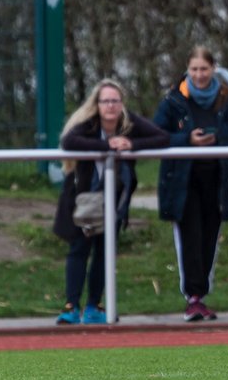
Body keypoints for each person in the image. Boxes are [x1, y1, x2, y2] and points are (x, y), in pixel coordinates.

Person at [53, 79, 169, 324]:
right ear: (97, 104)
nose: (111, 106)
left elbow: (161, 137)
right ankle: (71, 306)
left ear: (122, 103)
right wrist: (107, 145)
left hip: (114, 200)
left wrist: (131, 144)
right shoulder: (87, 124)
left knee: (104, 252)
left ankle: (95, 306)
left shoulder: (129, 123)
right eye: (105, 101)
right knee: (79, 249)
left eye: (115, 101)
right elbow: (69, 142)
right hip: (83, 198)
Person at [154, 46, 228, 323]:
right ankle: (193, 297)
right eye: (195, 69)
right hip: (183, 183)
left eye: (204, 69)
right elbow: (156, 136)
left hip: (218, 182)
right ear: (188, 70)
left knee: (210, 238)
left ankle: (202, 294)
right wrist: (187, 139)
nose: (199, 74)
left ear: (213, 70)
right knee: (190, 238)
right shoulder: (172, 101)